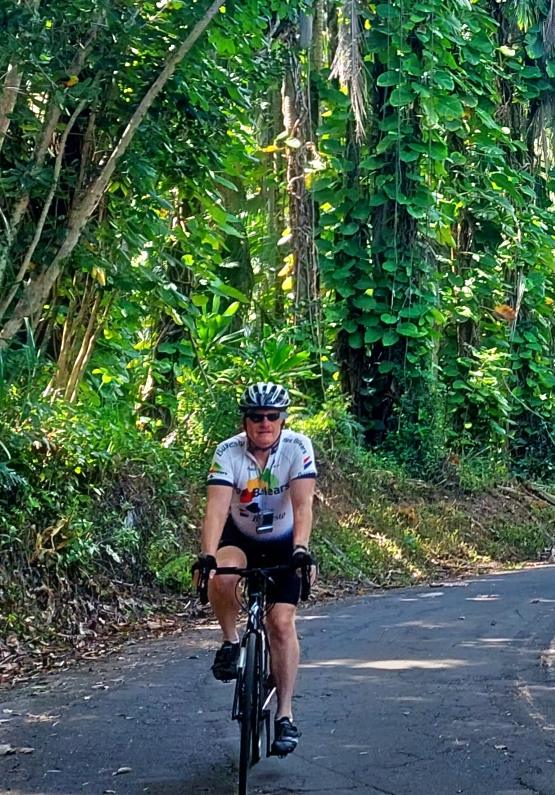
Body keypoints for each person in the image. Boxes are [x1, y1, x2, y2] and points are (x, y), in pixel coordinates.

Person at [192, 382, 317, 756]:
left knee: (280, 623)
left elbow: (304, 504)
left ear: (282, 419)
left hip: (284, 540)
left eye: (272, 416)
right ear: (245, 420)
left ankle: (284, 716)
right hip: (241, 537)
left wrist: (301, 550)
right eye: (256, 417)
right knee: (223, 572)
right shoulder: (228, 451)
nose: (265, 423)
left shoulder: (297, 447)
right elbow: (216, 508)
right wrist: (206, 556)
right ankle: (230, 642)